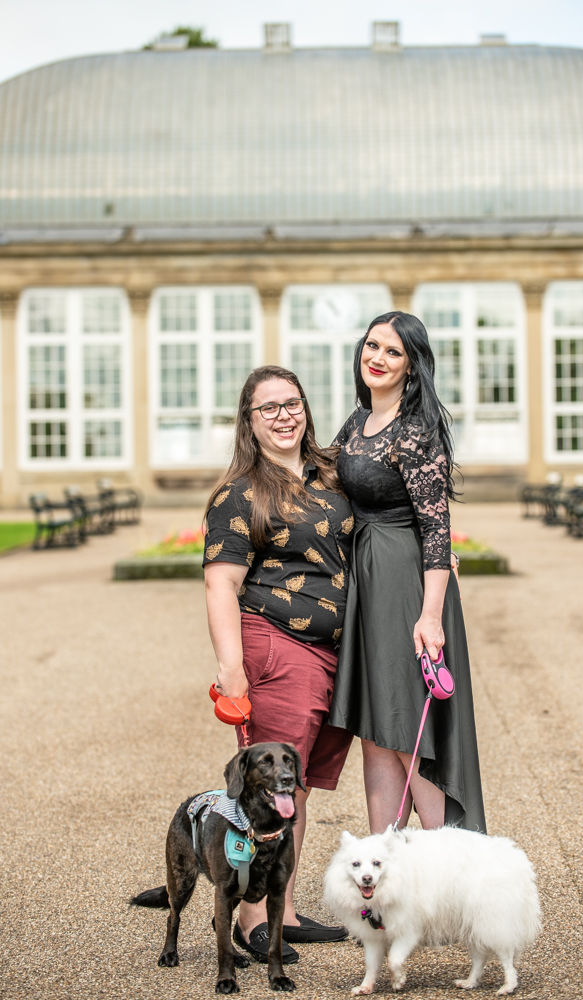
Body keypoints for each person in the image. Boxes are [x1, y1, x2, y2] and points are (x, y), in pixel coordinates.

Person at [203, 365, 354, 965]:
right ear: (249, 420)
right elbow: (221, 585)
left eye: (292, 403)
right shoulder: (240, 493)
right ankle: (252, 920)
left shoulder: (330, 475)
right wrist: (231, 670)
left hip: (334, 654)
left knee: (297, 789)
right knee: (266, 794)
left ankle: (282, 912)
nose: (284, 415)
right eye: (268, 408)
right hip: (277, 645)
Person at [328, 311, 486, 835]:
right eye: (372, 345)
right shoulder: (358, 421)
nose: (377, 358)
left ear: (412, 367)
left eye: (393, 351)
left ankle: (447, 866)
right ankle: (385, 870)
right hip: (367, 582)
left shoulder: (415, 432)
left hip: (404, 585)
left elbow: (437, 528)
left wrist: (431, 616)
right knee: (378, 730)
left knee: (407, 726)